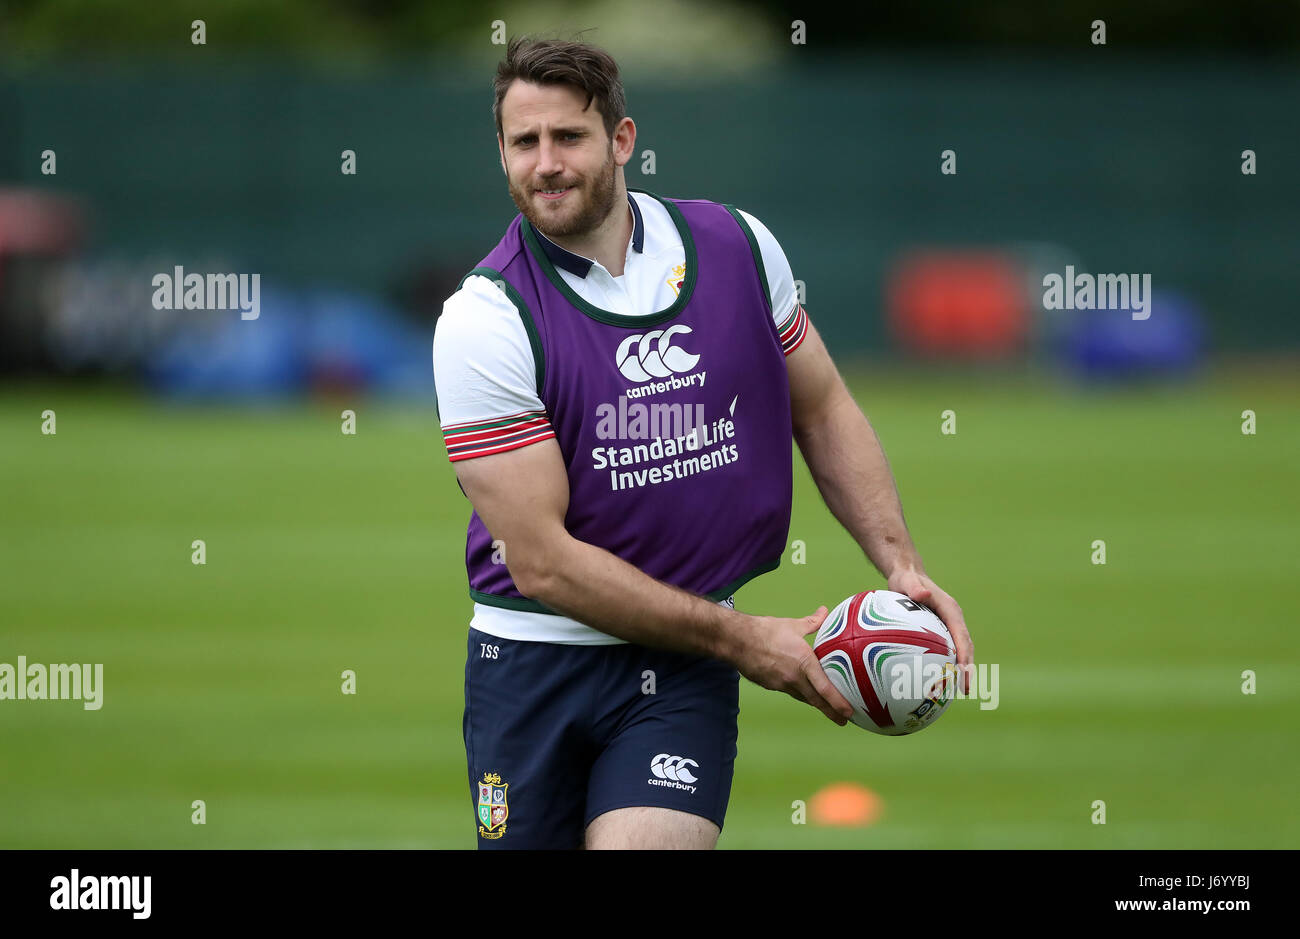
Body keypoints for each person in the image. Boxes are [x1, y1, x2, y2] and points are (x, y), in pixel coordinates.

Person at [432, 35, 973, 850]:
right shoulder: (484, 319)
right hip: (534, 663)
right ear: (502, 152)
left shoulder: (739, 248)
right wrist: (749, 640)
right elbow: (540, 559)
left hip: (681, 666)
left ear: (621, 140)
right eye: (524, 142)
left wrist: (899, 563)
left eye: (569, 137)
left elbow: (821, 407)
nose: (546, 163)